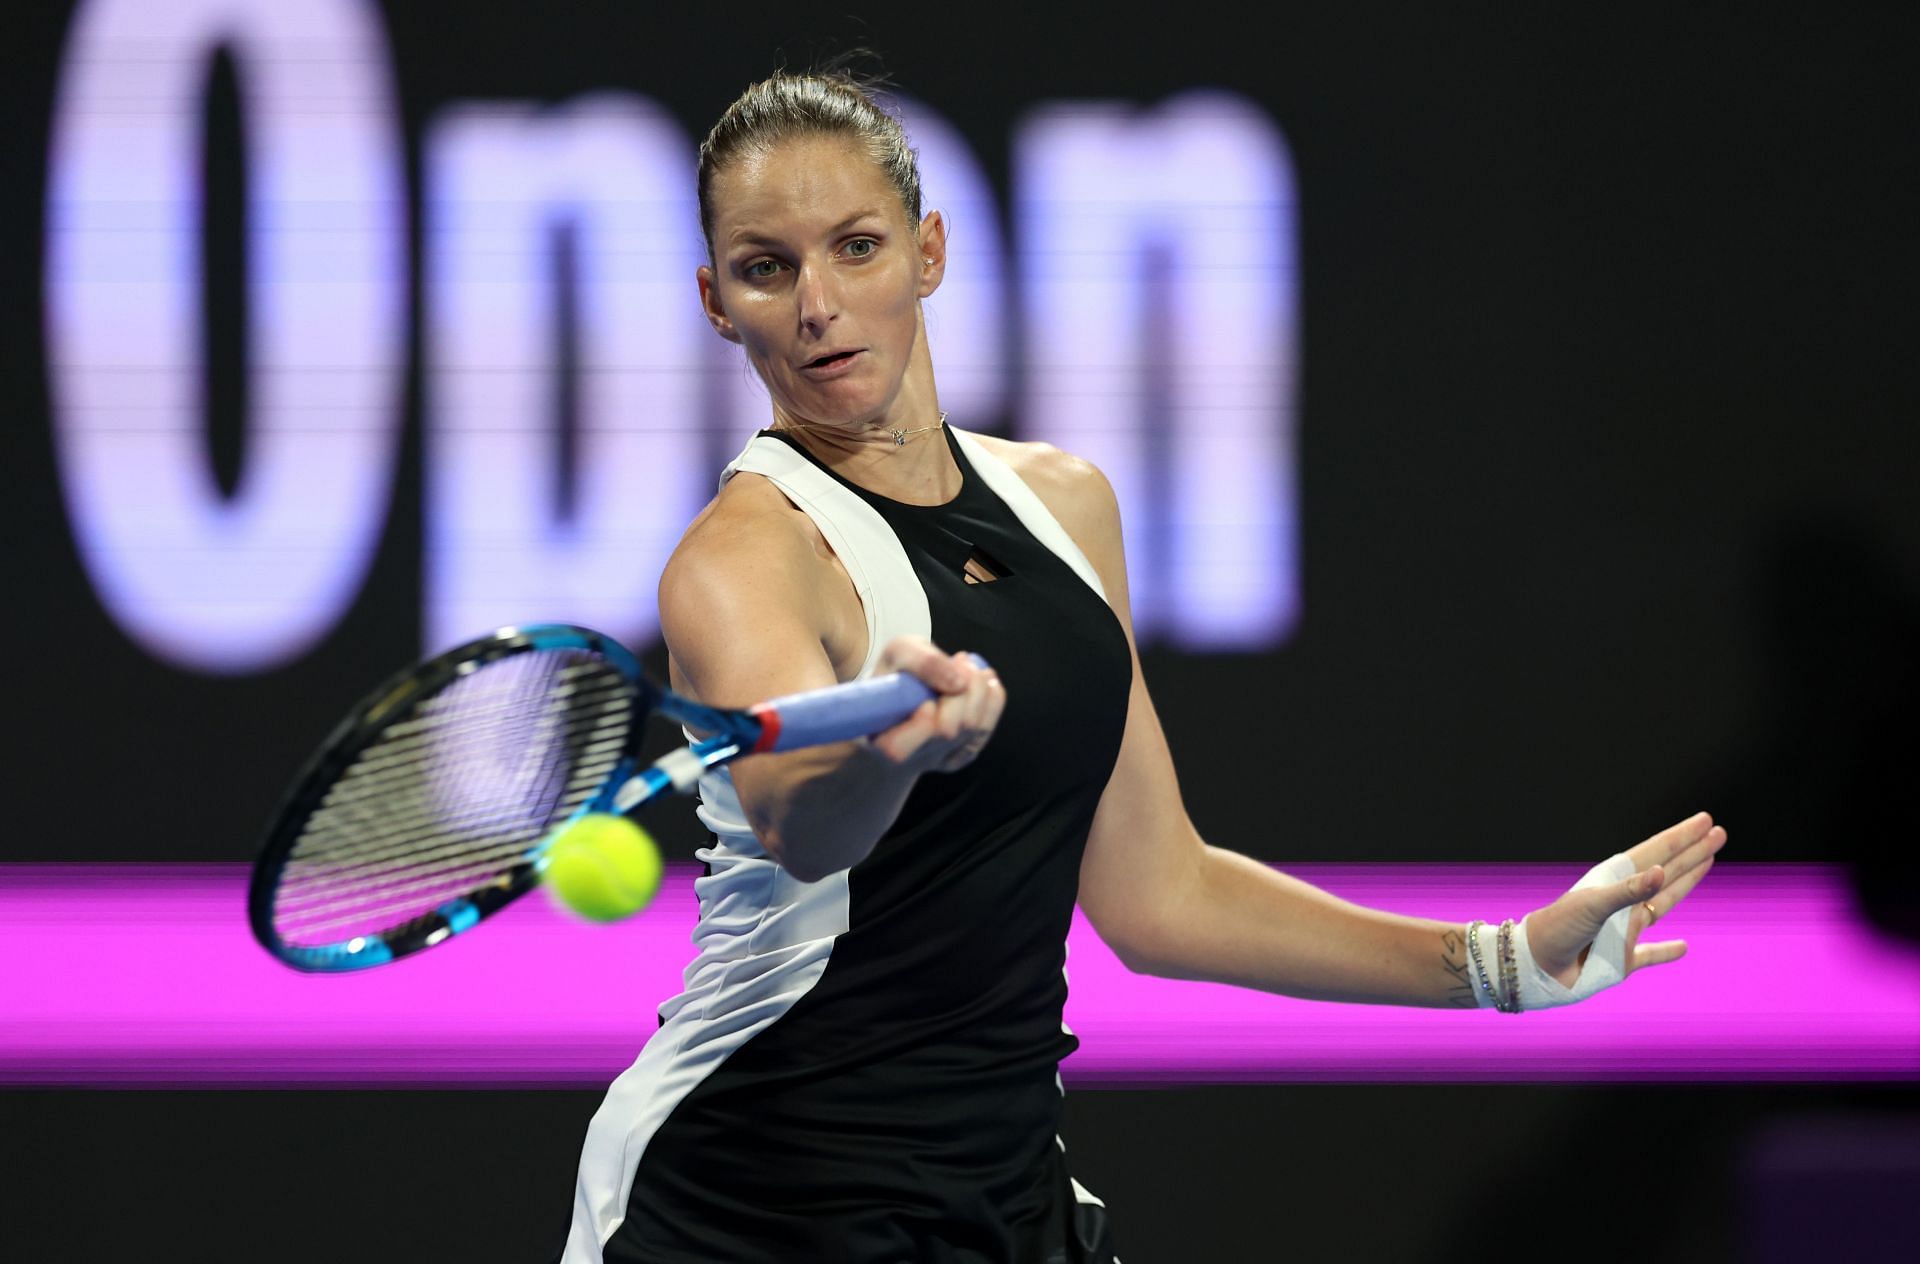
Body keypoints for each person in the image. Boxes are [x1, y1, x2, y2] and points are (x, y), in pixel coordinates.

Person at [560, 69, 1727, 1264]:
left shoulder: (1065, 504)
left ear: (929, 252)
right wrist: (888, 757)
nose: (817, 304)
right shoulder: (742, 557)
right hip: (744, 1208)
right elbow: (803, 824)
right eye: (767, 267)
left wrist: (1499, 963)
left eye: (856, 247)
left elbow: (1159, 892)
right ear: (716, 299)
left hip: (1000, 1199)